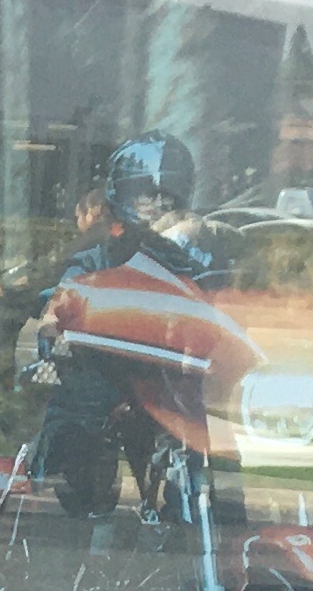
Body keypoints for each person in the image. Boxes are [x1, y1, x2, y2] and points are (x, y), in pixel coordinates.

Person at [29, 132, 213, 514]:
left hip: (167, 390)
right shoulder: (96, 258)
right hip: (100, 389)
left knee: (211, 479)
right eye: (147, 194)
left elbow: (227, 307)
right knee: (78, 471)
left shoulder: (195, 264)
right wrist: (57, 321)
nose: (159, 205)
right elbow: (59, 305)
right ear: (123, 195)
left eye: (169, 196)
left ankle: (211, 544)